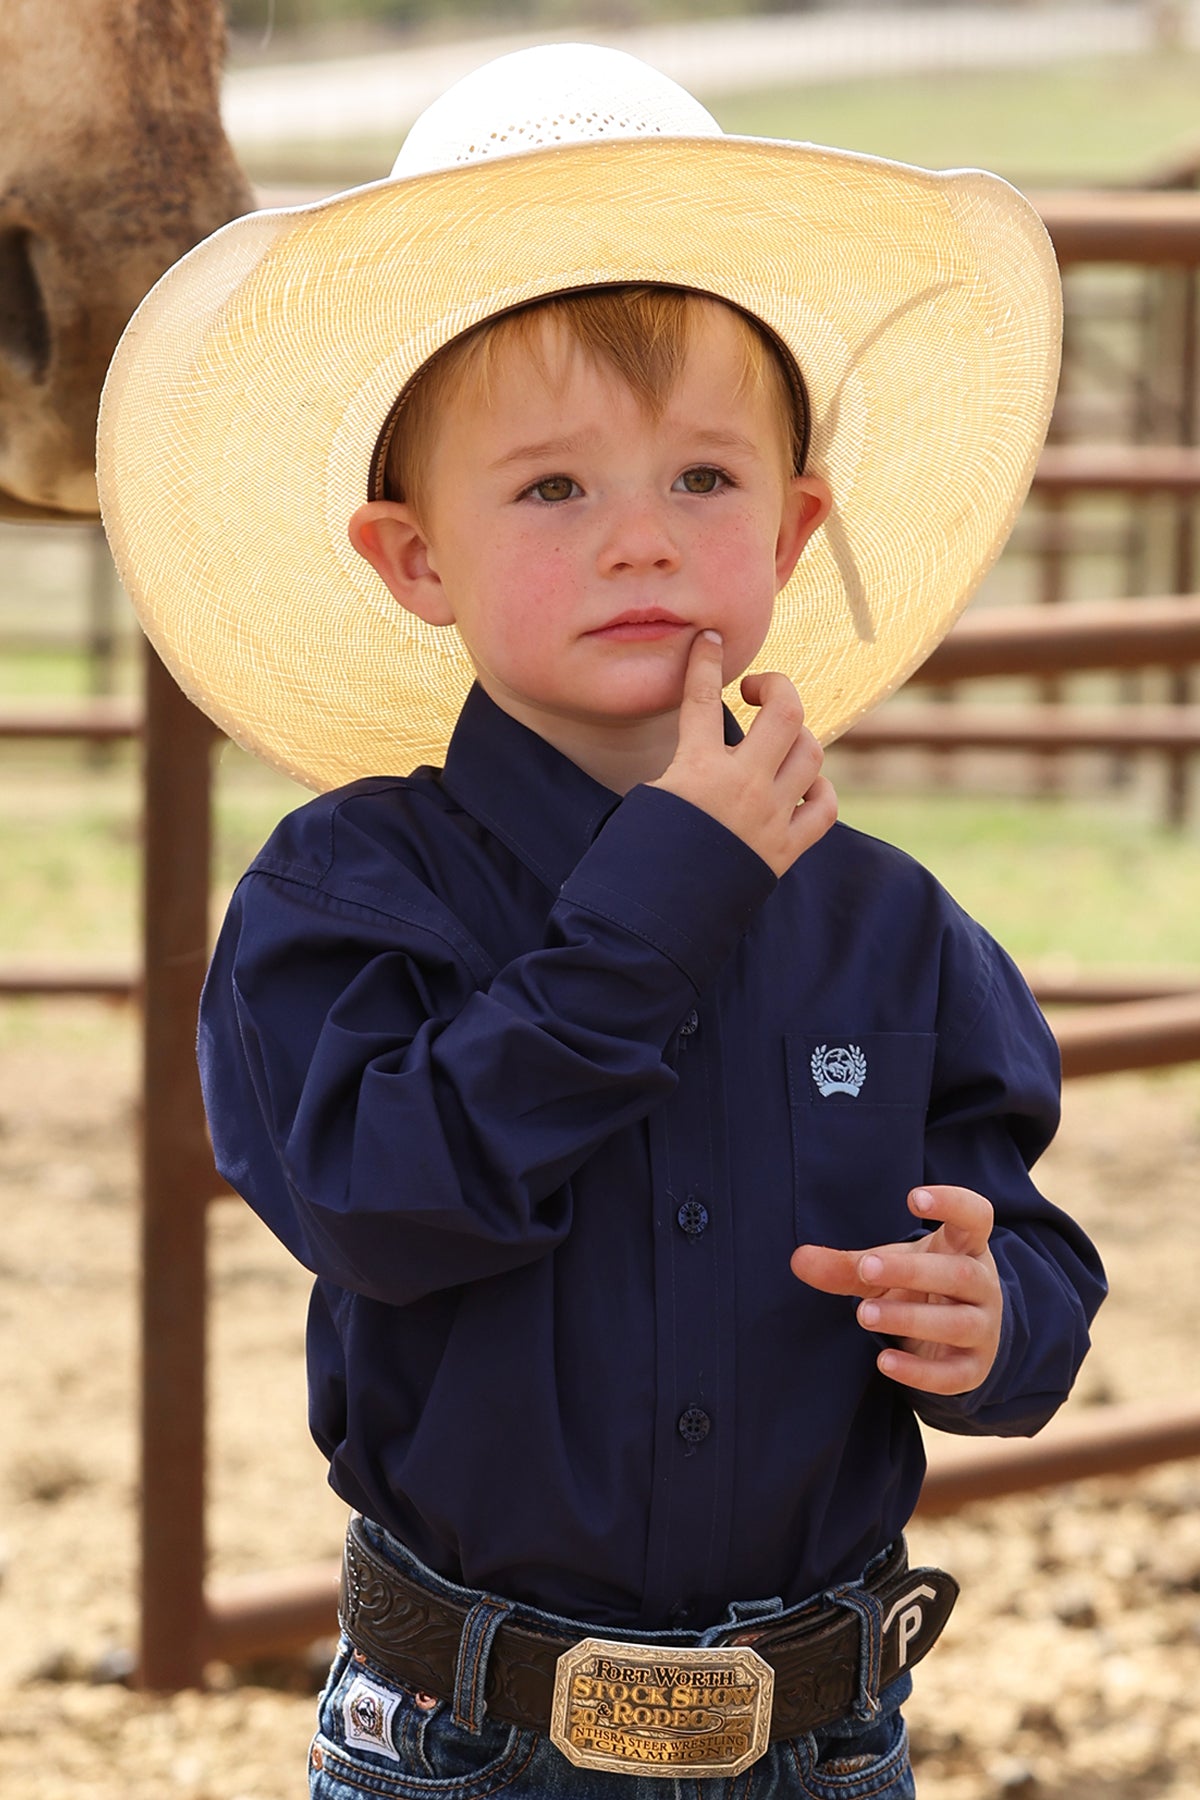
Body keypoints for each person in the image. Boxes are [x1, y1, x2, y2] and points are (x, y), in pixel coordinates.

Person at [97, 43, 1106, 1799]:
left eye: (704, 481)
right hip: (466, 1736)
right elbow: (381, 1205)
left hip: (821, 1736)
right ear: (415, 559)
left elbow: (1015, 1226)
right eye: (554, 488)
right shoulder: (341, 899)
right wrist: (669, 897)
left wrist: (1001, 1316)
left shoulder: (890, 925)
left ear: (793, 528)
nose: (642, 539)